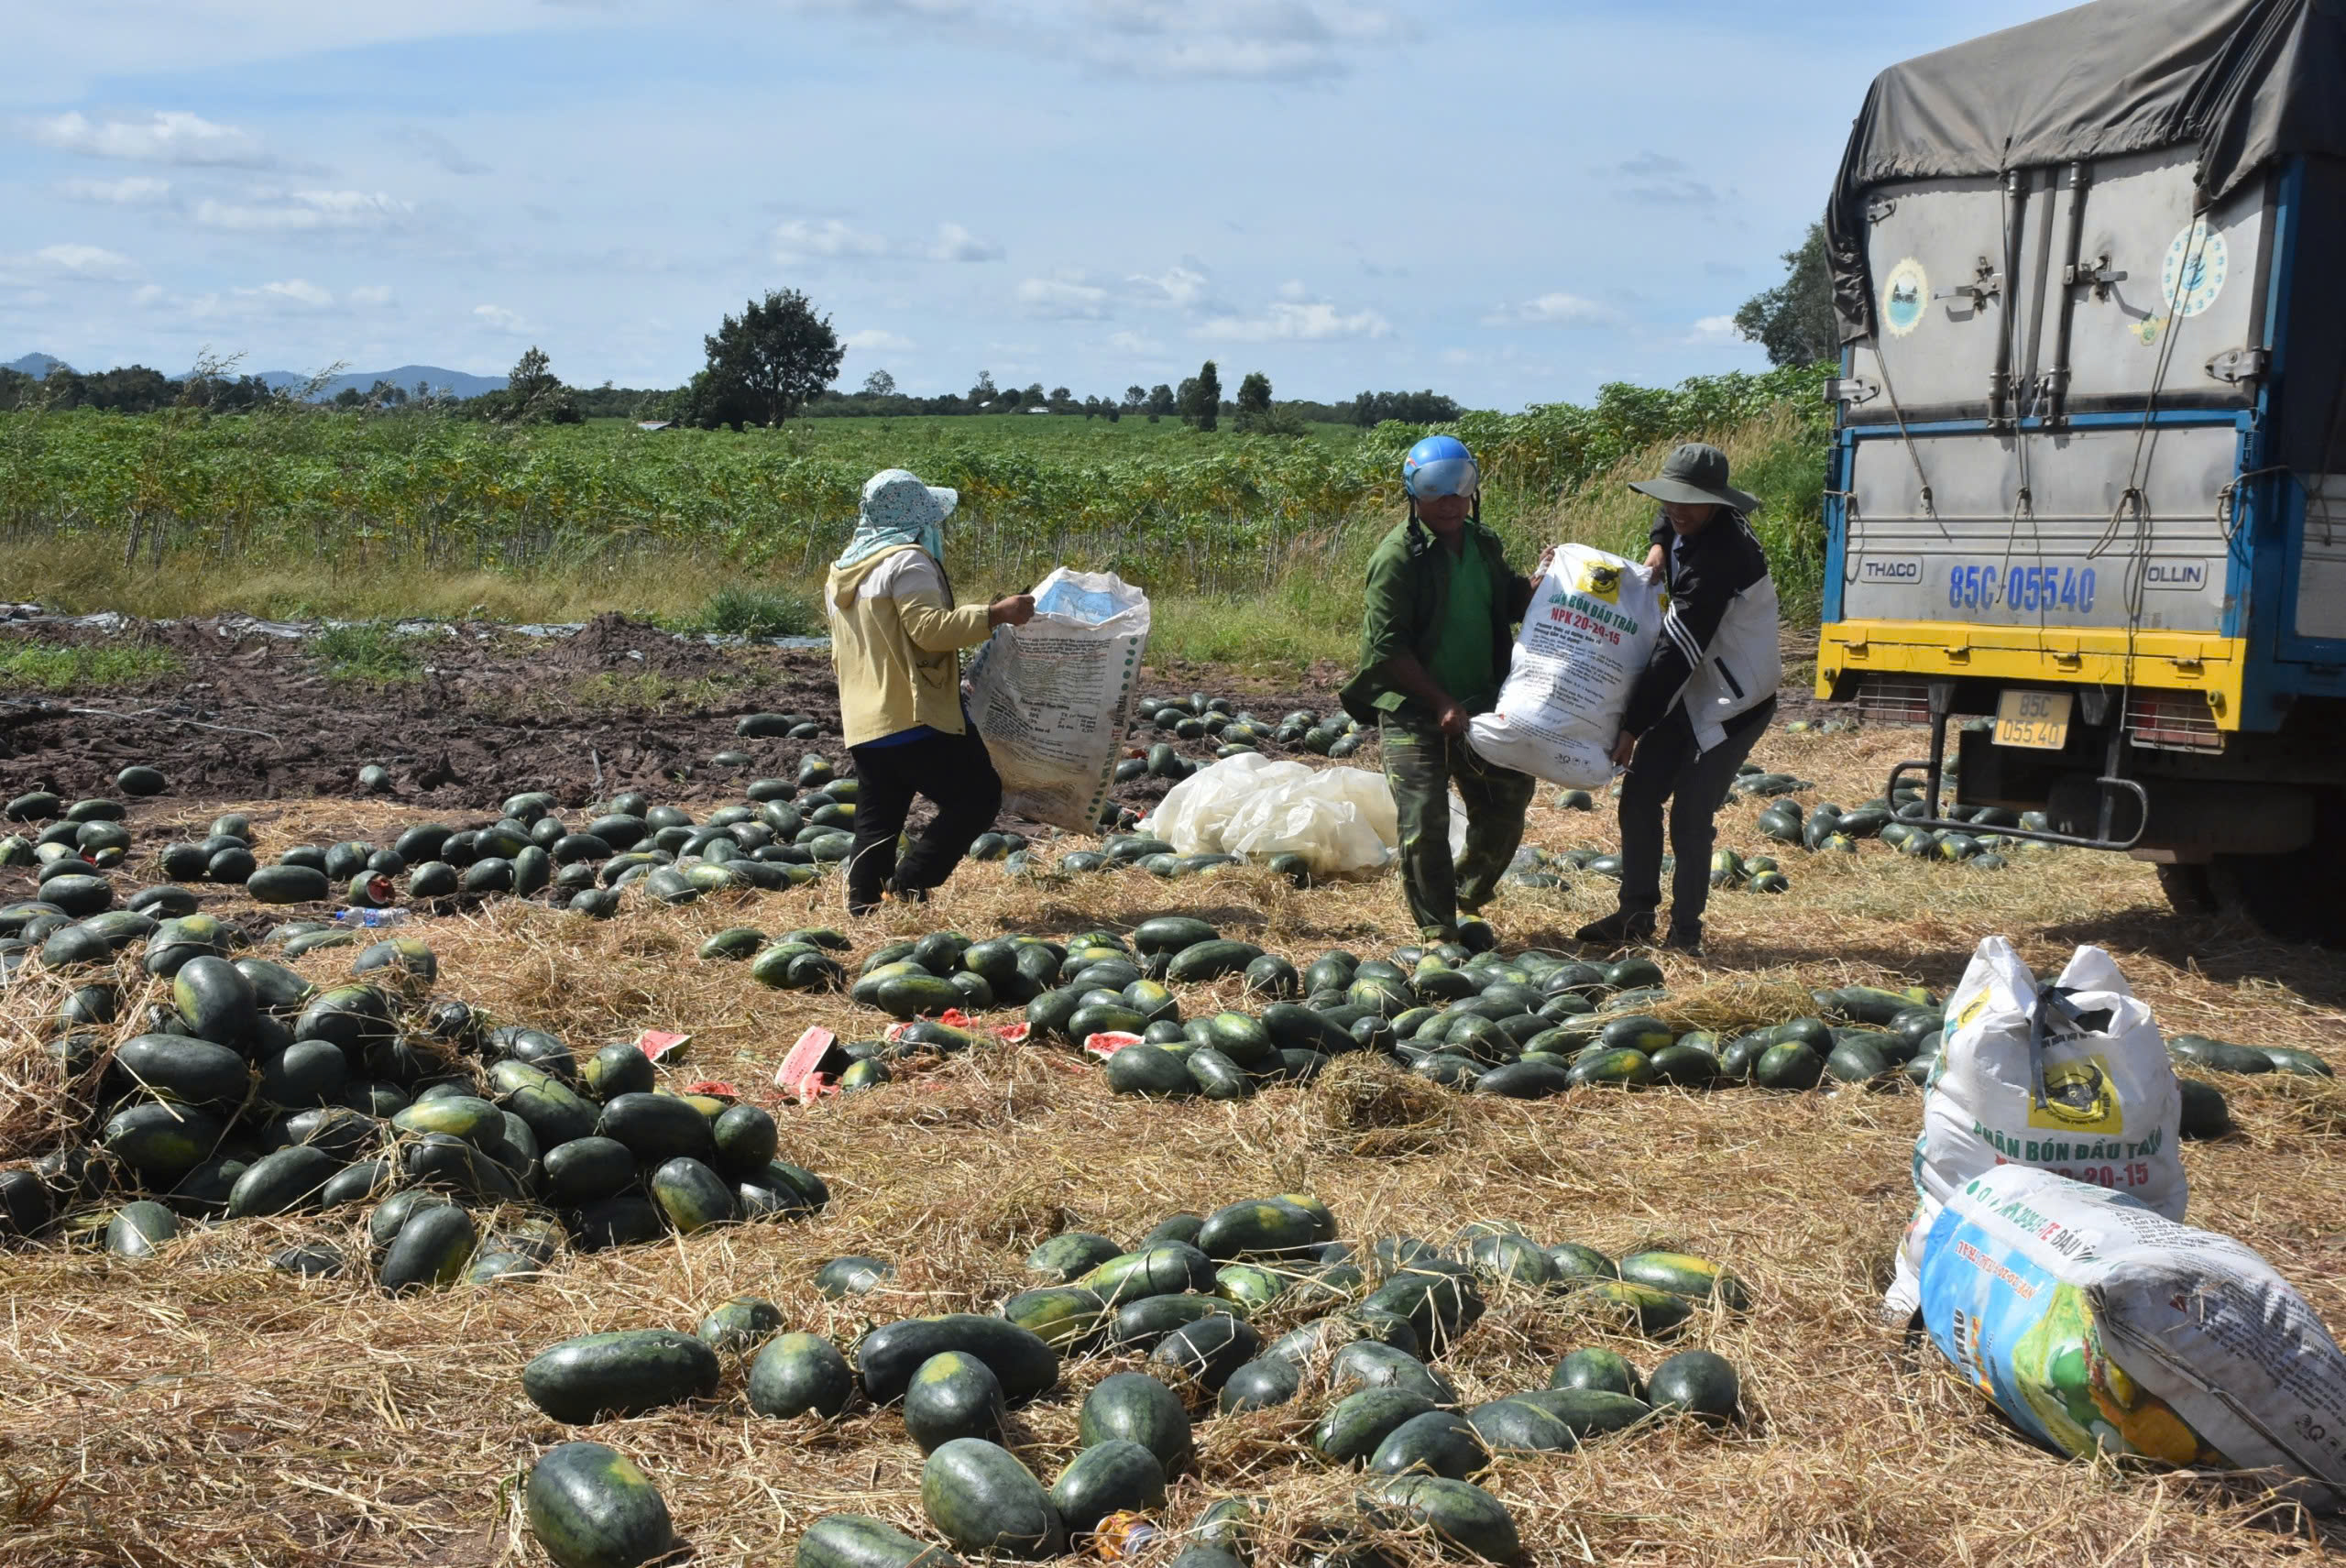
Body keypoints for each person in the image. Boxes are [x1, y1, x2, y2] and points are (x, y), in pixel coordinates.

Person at [1575, 443, 1781, 957]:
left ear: (1719, 502)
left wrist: (1632, 726)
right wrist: (1660, 540)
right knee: (1640, 797)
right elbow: (1672, 517)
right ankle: (1635, 914)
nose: (1677, 509)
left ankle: (1686, 934)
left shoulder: (1720, 557)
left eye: (1690, 502)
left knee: (1691, 816)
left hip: (1735, 698)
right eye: (1671, 499)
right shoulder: (1690, 521)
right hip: (1692, 690)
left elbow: (1676, 652)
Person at [1339, 435, 1540, 944]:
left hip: (1482, 705)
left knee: (1507, 806)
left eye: (1461, 486)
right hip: (1413, 708)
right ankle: (1438, 932)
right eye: (1435, 489)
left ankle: (1465, 895)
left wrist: (1540, 585)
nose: (1449, 500)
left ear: (1472, 489)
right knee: (1423, 820)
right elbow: (1387, 648)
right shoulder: (1397, 559)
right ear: (1414, 492)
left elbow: (1506, 603)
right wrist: (1440, 701)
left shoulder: (1484, 543)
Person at [825, 468, 1035, 916]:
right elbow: (929, 631)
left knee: (878, 820)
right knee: (977, 798)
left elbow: (857, 651)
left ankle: (865, 907)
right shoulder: (907, 561)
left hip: (865, 720)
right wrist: (996, 613)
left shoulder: (844, 570)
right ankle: (910, 882)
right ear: (919, 519)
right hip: (913, 717)